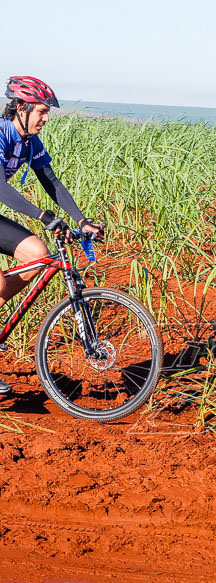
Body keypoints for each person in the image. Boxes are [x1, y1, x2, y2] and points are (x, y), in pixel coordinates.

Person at [0, 76, 103, 395]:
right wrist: (42, 216)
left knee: (39, 256)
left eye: (47, 113)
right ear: (21, 108)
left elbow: (53, 184)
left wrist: (81, 220)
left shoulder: (30, 142)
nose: (45, 118)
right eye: (42, 111)